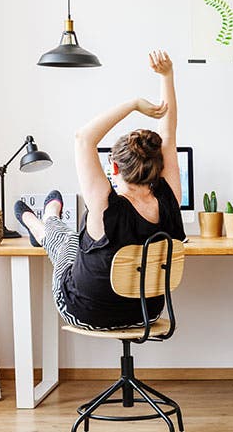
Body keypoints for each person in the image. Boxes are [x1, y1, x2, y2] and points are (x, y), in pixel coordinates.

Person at [16, 50, 185, 329]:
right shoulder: (170, 198)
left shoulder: (104, 205)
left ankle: (43, 223)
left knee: (69, 245)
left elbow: (84, 138)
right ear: (158, 165)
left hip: (86, 313)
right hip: (147, 313)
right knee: (72, 244)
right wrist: (167, 75)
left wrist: (133, 104)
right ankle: (45, 222)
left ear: (114, 168)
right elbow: (168, 134)